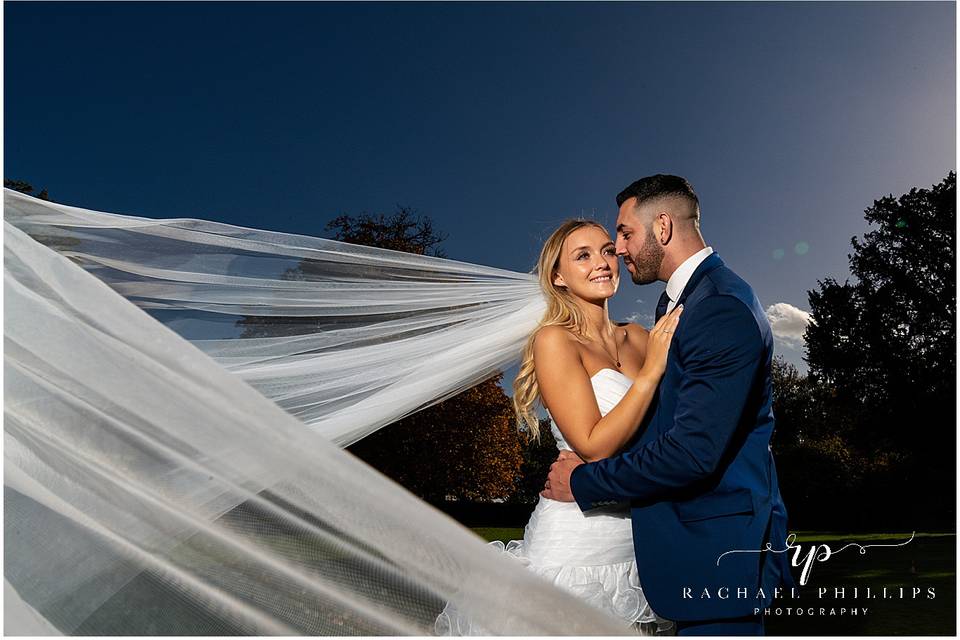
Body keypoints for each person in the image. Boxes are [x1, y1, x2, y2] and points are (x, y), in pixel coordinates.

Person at [543, 175, 793, 636]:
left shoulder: (717, 306)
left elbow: (692, 452)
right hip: (641, 544)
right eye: (588, 252)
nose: (616, 250)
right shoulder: (676, 305)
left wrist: (582, 481)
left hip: (716, 549)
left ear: (661, 227)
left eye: (623, 234)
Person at [436, 219, 681, 635]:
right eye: (582, 256)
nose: (602, 263)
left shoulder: (642, 337)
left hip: (641, 539)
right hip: (575, 547)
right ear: (558, 277)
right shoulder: (554, 341)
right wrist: (651, 373)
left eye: (606, 250)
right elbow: (593, 446)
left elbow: (673, 435)